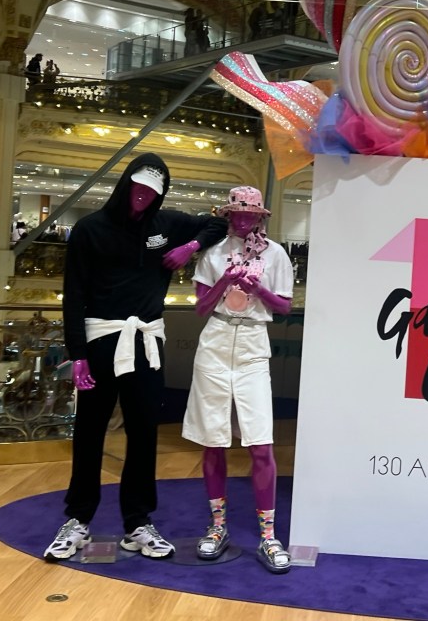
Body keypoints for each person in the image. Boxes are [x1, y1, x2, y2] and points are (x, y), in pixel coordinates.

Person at [43, 152, 228, 562]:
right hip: (100, 341)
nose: (144, 195)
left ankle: (138, 523)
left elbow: (218, 223)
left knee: (144, 433)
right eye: (139, 187)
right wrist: (78, 354)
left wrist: (190, 247)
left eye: (153, 191)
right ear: (126, 183)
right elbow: (74, 295)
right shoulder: (90, 229)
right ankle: (78, 520)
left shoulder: (167, 224)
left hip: (146, 344)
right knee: (90, 433)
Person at [181, 186, 294, 573]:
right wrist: (224, 281)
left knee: (260, 441)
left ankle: (268, 535)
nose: (243, 220)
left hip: (252, 342)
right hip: (215, 340)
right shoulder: (213, 254)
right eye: (237, 214)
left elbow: (284, 306)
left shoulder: (275, 254)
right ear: (228, 215)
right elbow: (200, 307)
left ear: (260, 217)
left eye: (250, 215)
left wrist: (257, 288)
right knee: (213, 439)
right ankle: (217, 527)